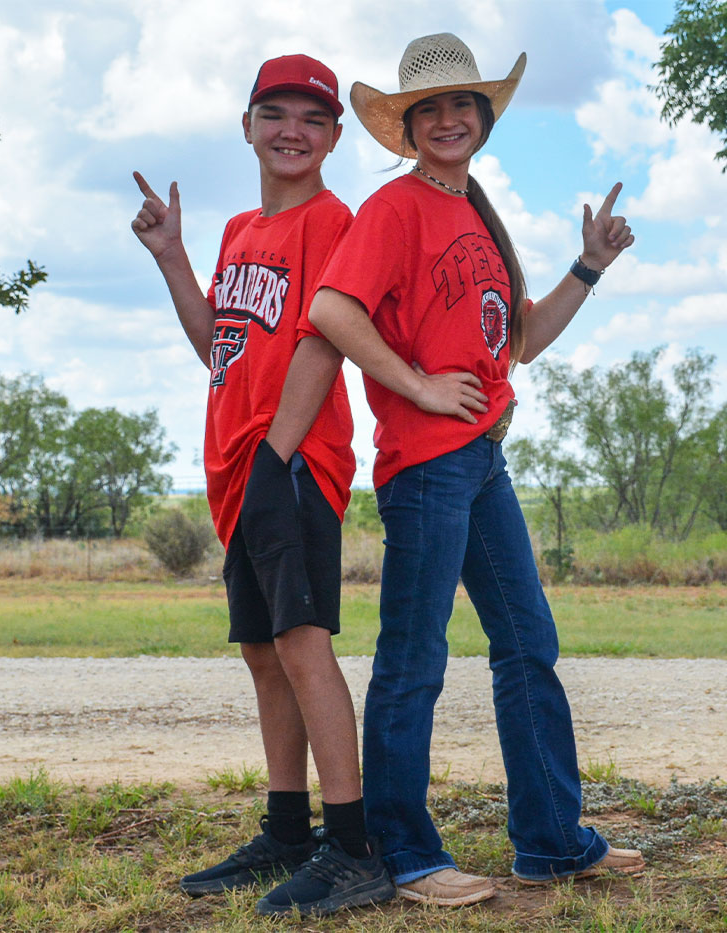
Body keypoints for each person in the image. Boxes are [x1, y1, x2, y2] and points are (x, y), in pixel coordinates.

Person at [306, 33, 645, 906]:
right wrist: (415, 381)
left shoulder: (477, 212)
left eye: (464, 105)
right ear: (408, 127)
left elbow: (521, 339)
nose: (449, 119)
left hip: (483, 460)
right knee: (414, 657)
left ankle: (552, 842)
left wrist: (589, 268)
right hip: (425, 465)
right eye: (430, 109)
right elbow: (333, 308)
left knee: (528, 642)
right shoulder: (395, 209)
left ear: (484, 119)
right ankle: (405, 855)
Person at [130, 54, 394, 917]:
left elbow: (325, 336)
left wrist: (279, 458)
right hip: (239, 467)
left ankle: (352, 847)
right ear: (246, 126)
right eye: (274, 114)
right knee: (262, 648)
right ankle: (287, 829)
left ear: (334, 138)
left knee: (304, 642)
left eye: (312, 119)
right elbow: (220, 345)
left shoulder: (333, 219)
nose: (292, 130)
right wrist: (172, 254)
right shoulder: (241, 230)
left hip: (293, 461)